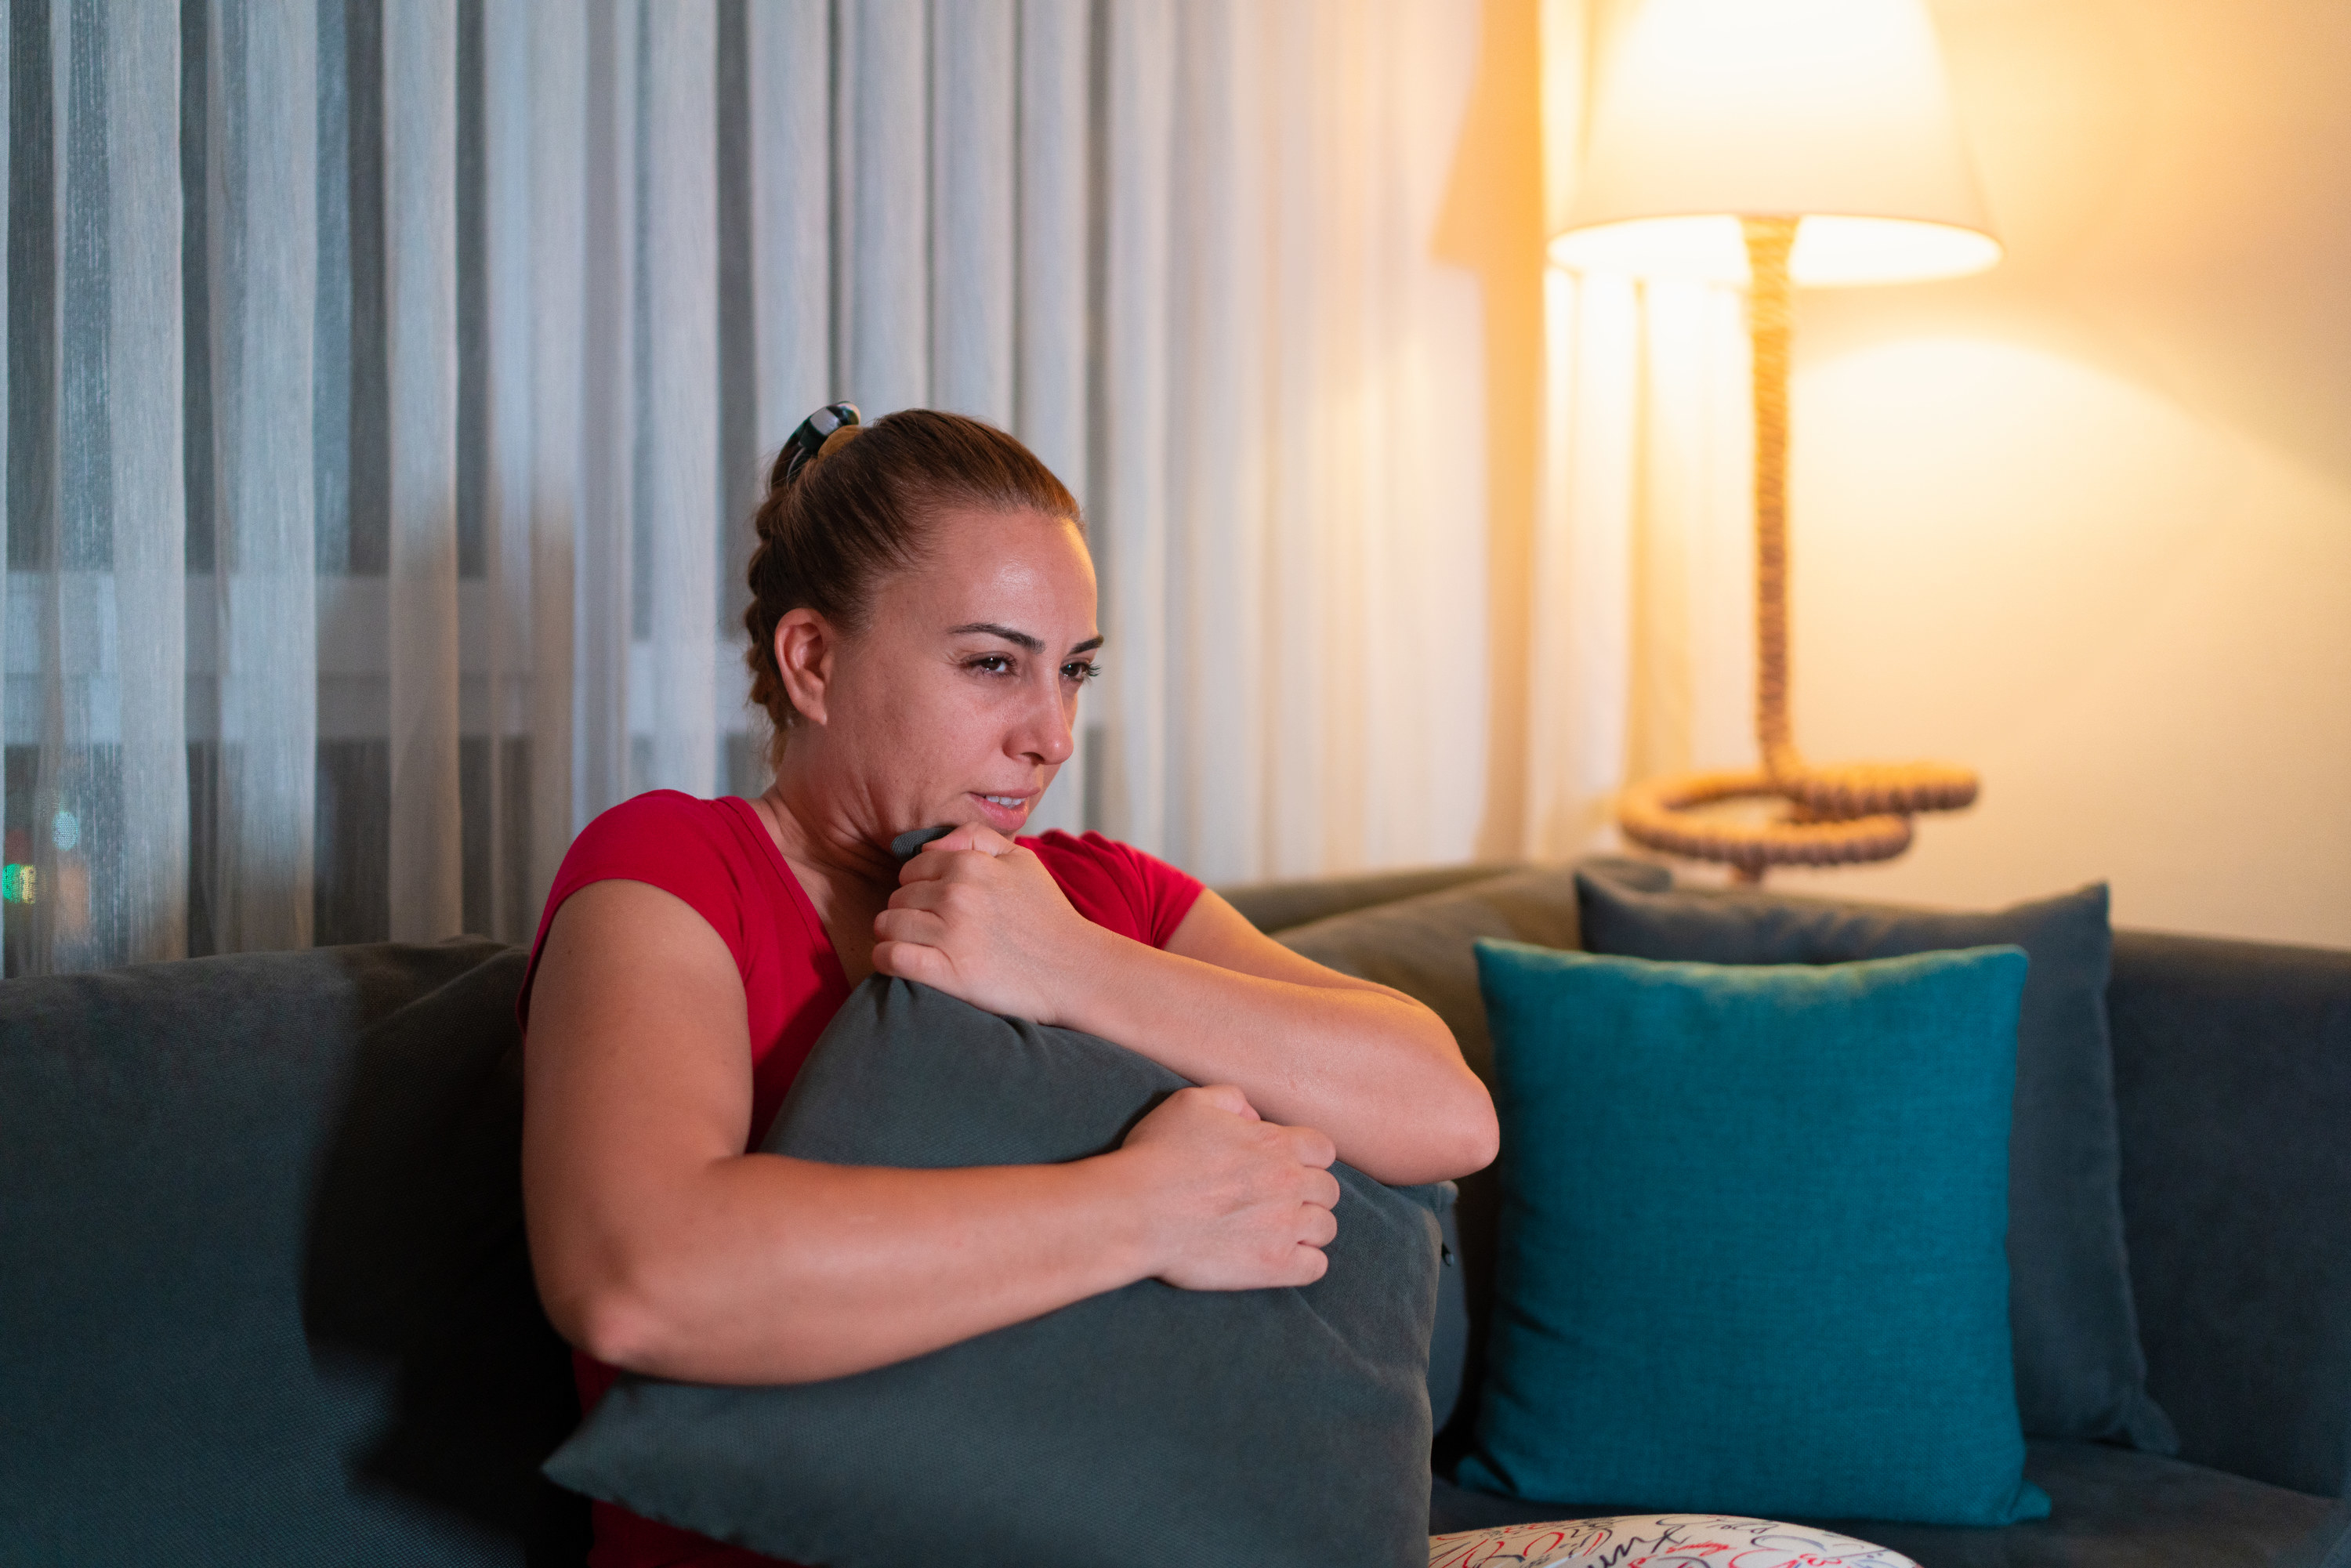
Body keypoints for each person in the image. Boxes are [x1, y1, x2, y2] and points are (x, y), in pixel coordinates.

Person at [520, 407, 1500, 1567]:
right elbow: (643, 1277)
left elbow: (1447, 1111)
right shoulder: (675, 870)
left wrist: (1072, 965)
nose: (1051, 735)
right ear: (814, 661)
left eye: (1073, 672)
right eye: (993, 664)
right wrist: (1147, 1209)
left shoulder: (1095, 895)